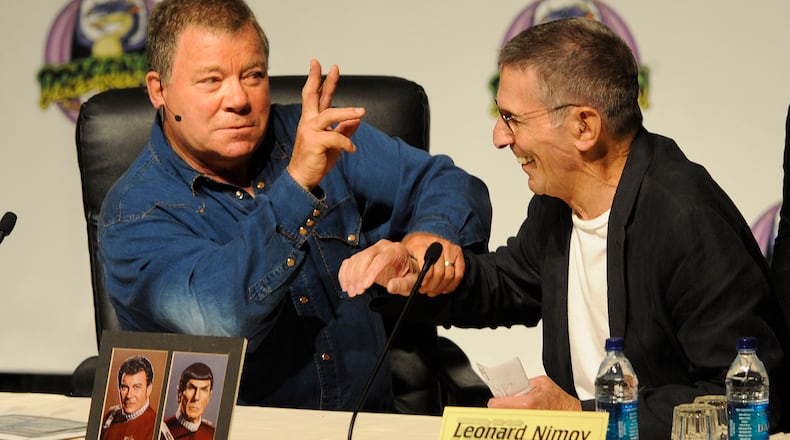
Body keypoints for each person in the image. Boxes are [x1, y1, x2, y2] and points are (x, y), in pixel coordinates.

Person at [340, 17, 788, 438]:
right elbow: (508, 283)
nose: (499, 136)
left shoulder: (686, 219)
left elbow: (749, 401)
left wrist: (582, 419)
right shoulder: (557, 205)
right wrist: (415, 277)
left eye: (512, 118)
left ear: (584, 127)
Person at [98, 0, 491, 412]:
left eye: (252, 76)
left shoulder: (309, 134)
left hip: (370, 424)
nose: (238, 99)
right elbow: (219, 324)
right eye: (211, 81)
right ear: (159, 90)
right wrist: (298, 183)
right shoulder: (134, 213)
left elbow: (447, 182)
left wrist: (431, 235)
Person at [101, 355, 157, 440]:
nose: (129, 395)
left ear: (149, 389)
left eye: (136, 387)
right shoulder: (110, 417)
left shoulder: (155, 427)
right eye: (124, 387)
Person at [160, 362, 216, 440]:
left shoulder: (213, 433)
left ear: (209, 396)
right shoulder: (160, 432)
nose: (196, 397)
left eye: (203, 390)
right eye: (191, 388)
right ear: (180, 392)